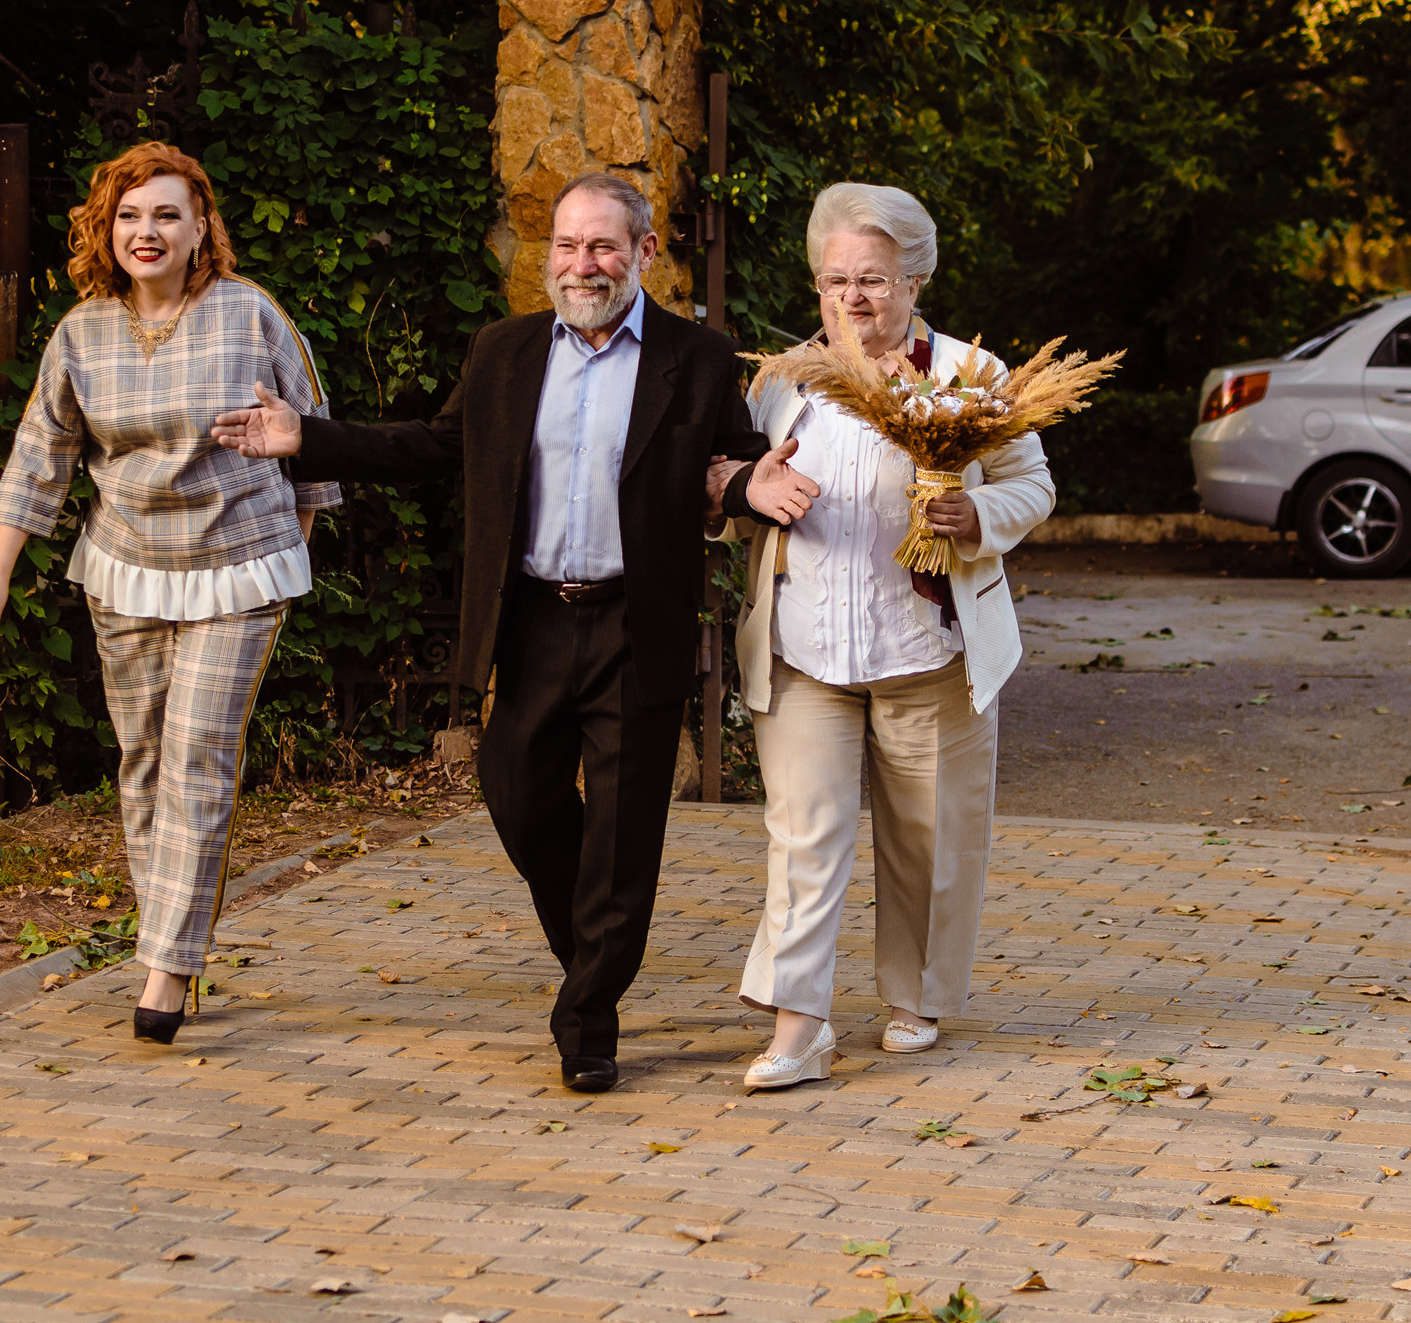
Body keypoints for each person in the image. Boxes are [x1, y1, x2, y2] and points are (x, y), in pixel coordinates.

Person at [211, 171, 816, 1093]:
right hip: (531, 618)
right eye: (569, 246)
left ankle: (589, 1017)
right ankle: (595, 953)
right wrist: (311, 439)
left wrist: (749, 490)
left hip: (635, 621)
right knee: (517, 794)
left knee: (623, 836)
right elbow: (436, 447)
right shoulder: (503, 351)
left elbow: (727, 467)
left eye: (605, 245)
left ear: (645, 253)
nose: (585, 263)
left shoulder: (697, 357)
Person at [0, 141, 338, 1047]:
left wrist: (294, 542)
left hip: (237, 565)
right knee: (143, 763)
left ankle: (168, 967)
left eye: (167, 214)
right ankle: (169, 933)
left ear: (200, 227)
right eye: (131, 215)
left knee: (198, 755)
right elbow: (40, 456)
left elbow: (316, 440)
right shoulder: (81, 334)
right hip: (124, 565)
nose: (148, 231)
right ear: (108, 228)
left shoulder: (251, 315)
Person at [711, 182, 1055, 1090]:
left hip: (927, 650)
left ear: (915, 281)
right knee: (804, 835)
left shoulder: (971, 376)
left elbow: (1034, 485)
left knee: (929, 838)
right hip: (805, 648)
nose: (851, 299)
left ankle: (917, 997)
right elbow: (719, 472)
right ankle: (798, 1027)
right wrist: (749, 487)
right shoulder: (782, 381)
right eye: (834, 281)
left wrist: (972, 510)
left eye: (872, 279)